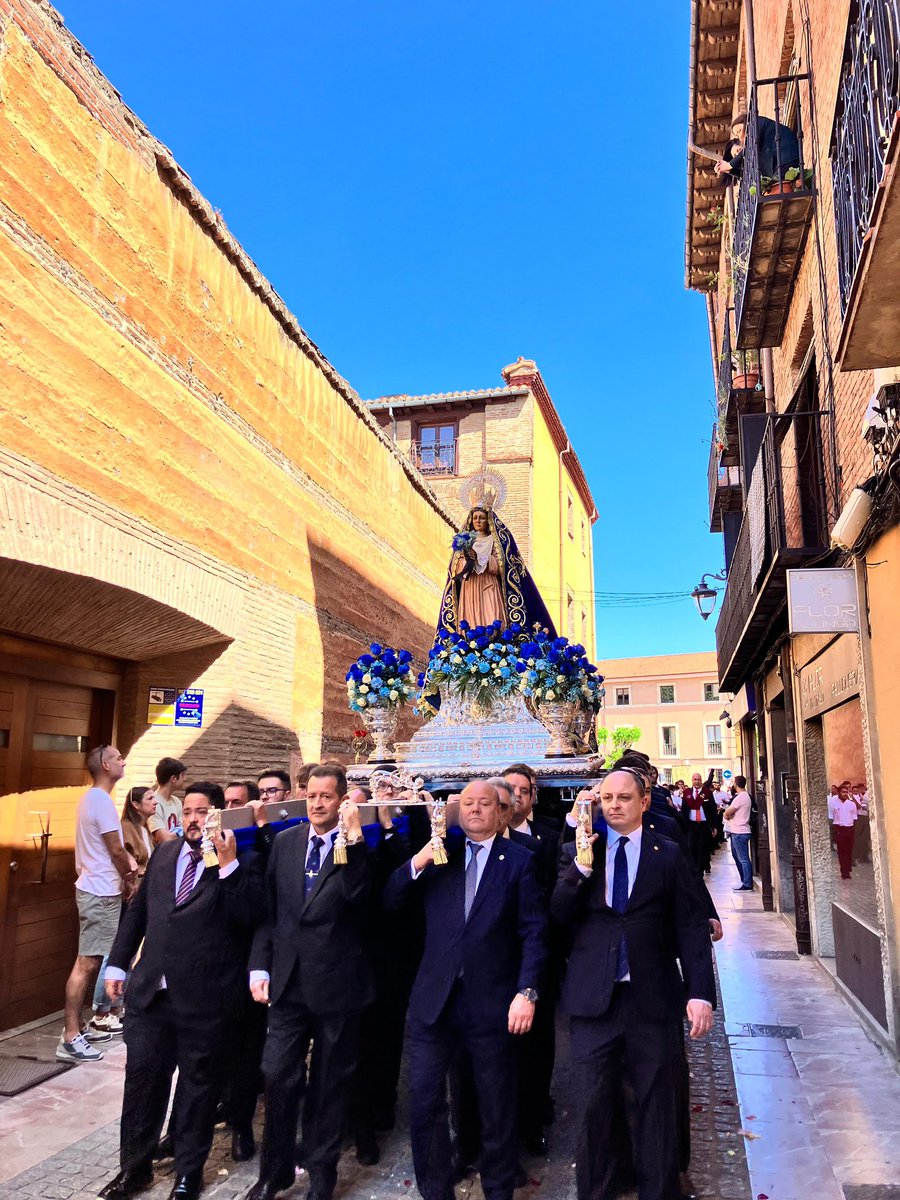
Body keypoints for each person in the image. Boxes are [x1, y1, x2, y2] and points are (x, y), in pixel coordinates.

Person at [551, 768, 716, 1200]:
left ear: (644, 802)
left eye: (624, 797)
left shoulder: (668, 853)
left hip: (653, 998)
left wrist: (700, 993)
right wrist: (580, 872)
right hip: (594, 1001)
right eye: (607, 797)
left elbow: (691, 925)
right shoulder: (579, 850)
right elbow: (557, 916)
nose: (614, 805)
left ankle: (658, 1191)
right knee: (592, 1106)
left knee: (656, 1105)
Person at [97, 782, 263, 1200]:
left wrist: (228, 867)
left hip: (205, 998)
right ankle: (134, 1170)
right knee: (142, 1084)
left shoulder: (240, 860)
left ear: (219, 814)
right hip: (152, 993)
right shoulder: (166, 854)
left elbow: (251, 918)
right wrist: (118, 962)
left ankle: (189, 1173)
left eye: (203, 811)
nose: (194, 819)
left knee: (196, 1087)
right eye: (188, 811)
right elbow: (139, 912)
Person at [384, 780, 547, 1200]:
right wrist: (417, 862)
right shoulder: (441, 855)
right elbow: (391, 901)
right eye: (467, 803)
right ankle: (436, 1190)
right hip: (433, 1003)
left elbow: (534, 932)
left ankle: (497, 1190)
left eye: (484, 804)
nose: (474, 810)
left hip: (492, 1004)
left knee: (496, 1105)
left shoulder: (521, 861)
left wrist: (526, 991)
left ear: (502, 812)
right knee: (424, 1102)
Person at [247, 766, 372, 1200]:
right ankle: (274, 1172)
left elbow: (361, 898)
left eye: (327, 796)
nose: (318, 803)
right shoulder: (284, 843)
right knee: (277, 1074)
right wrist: (259, 966)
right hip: (287, 984)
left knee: (328, 1082)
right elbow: (272, 911)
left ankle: (321, 1174)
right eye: (312, 795)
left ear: (342, 802)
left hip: (337, 986)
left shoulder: (355, 845)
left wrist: (354, 841)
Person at [58, 745, 137, 1063]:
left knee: (90, 962)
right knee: (87, 963)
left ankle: (77, 1028)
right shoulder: (101, 802)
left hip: (98, 889)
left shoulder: (93, 799)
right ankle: (70, 1036)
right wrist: (129, 878)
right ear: (106, 765)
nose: (123, 761)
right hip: (100, 892)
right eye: (118, 758)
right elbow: (117, 851)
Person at [90, 785, 156, 1036]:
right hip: (129, 893)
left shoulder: (145, 828)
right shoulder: (126, 828)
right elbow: (126, 860)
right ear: (136, 804)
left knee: (128, 953)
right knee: (116, 951)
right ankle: (100, 1011)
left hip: (141, 892)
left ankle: (116, 1007)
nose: (155, 802)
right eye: (150, 799)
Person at [714, 109, 801, 185]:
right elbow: (748, 174)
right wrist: (729, 170)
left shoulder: (756, 122)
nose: (740, 136)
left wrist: (730, 165)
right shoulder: (755, 150)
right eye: (737, 135)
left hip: (787, 156)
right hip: (781, 167)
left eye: (739, 131)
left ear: (745, 121)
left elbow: (749, 147)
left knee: (774, 191)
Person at [681, 771, 717, 874]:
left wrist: (714, 826)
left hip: (703, 825)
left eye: (699, 779)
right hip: (691, 825)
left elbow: (713, 810)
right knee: (691, 847)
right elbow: (684, 810)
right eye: (695, 779)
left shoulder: (707, 793)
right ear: (692, 781)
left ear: (701, 781)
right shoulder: (687, 793)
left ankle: (701, 869)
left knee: (703, 848)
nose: (697, 782)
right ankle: (694, 869)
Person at [148, 757, 187, 845]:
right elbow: (164, 839)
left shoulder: (176, 801)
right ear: (173, 778)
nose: (185, 779)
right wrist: (179, 832)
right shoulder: (153, 803)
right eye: (182, 775)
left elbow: (186, 830)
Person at [724, 776, 753, 891]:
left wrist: (727, 815)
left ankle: (747, 883)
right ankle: (745, 880)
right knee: (739, 857)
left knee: (743, 859)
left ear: (736, 784)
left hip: (739, 831)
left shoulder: (740, 797)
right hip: (740, 830)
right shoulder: (746, 796)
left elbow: (727, 812)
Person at [833, 782, 859, 880]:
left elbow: (854, 817)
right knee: (841, 851)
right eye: (843, 792)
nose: (845, 794)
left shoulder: (851, 804)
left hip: (850, 829)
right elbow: (832, 816)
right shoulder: (834, 803)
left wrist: (852, 831)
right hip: (840, 829)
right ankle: (844, 871)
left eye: (846, 792)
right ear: (839, 793)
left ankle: (848, 869)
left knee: (848, 850)